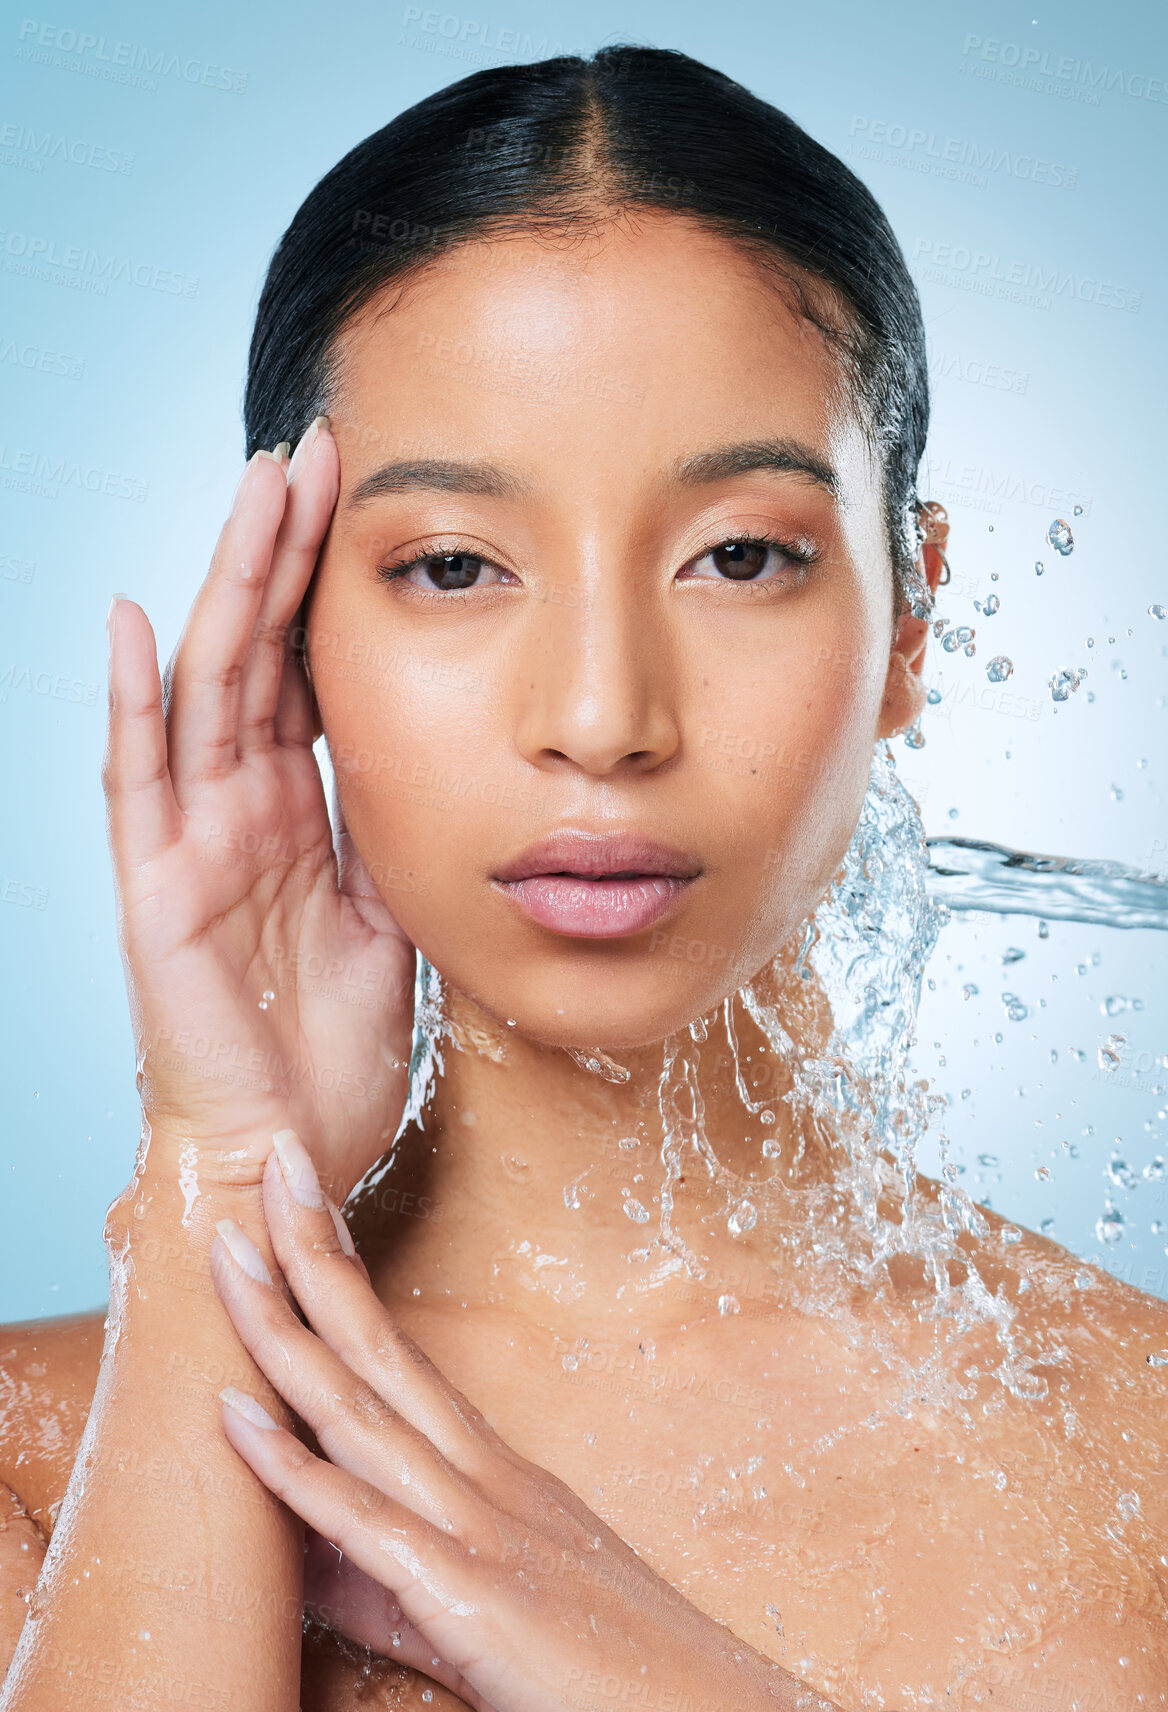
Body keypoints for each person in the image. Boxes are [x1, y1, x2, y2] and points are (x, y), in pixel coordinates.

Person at [1, 44, 1165, 1712]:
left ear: (911, 615)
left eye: (740, 555)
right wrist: (220, 1185)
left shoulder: (1150, 1466)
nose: (604, 720)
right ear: (293, 625)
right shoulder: (42, 1462)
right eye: (455, 566)